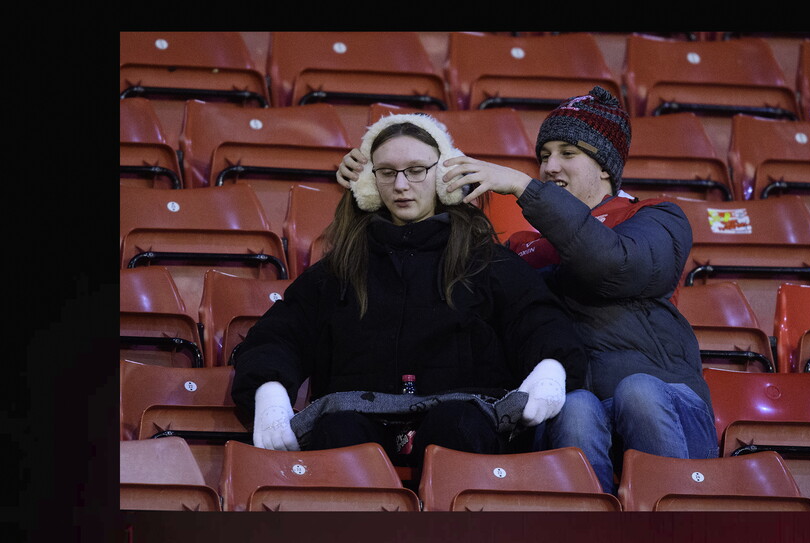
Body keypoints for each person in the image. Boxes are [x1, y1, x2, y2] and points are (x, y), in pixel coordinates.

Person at [336, 87, 718, 493]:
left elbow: (611, 264)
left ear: (606, 167)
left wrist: (524, 187)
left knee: (637, 390)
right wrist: (373, 187)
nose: (550, 166)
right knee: (576, 406)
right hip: (571, 405)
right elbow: (437, 274)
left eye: (567, 154)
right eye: (544, 155)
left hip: (664, 404)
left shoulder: (655, 217)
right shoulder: (522, 245)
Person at [232, 113, 586, 468]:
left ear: (444, 176)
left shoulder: (486, 262)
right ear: (370, 185)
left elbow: (540, 319)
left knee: (458, 425)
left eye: (416, 170)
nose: (401, 185)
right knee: (339, 431)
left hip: (463, 420)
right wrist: (269, 391)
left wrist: (551, 366)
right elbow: (279, 335)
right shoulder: (340, 268)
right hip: (355, 421)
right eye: (387, 172)